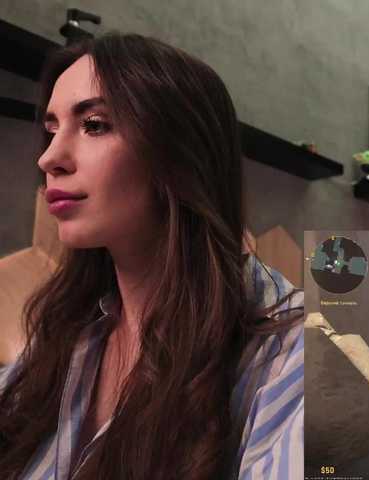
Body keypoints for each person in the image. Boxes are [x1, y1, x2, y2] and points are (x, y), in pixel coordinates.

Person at [0, 33, 303, 480]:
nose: (49, 159)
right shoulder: (65, 332)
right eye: (51, 130)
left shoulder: (296, 352)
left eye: (94, 125)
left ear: (180, 151)